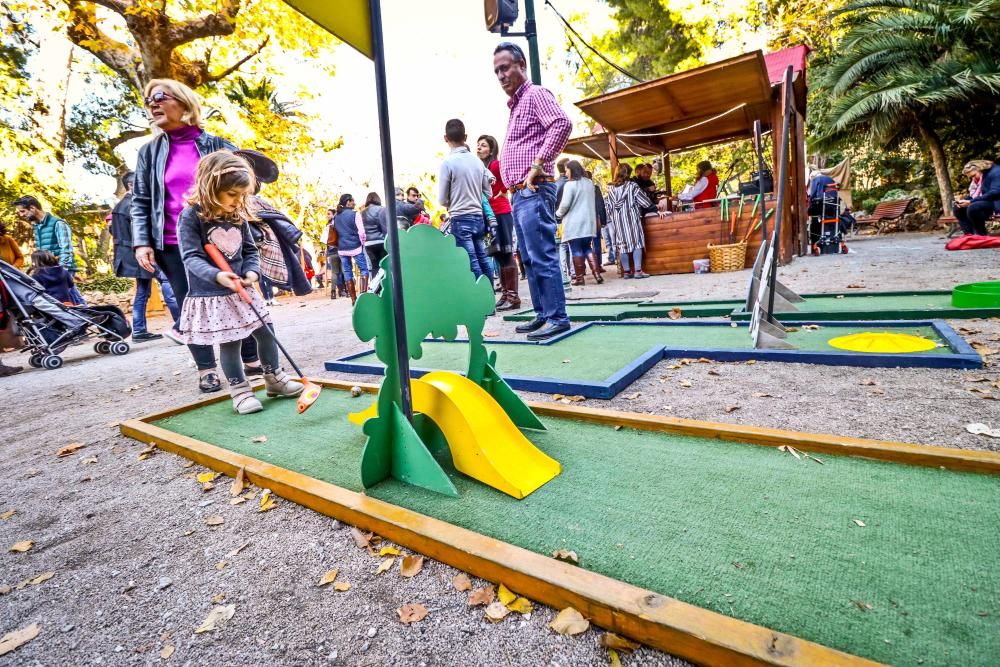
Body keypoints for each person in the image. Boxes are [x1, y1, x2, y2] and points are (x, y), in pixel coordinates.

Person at [131, 77, 259, 393]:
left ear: (184, 102)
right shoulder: (149, 152)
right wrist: (142, 241)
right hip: (173, 242)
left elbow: (247, 186)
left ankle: (253, 361)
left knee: (236, 295)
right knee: (193, 304)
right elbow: (141, 199)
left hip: (223, 235)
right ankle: (207, 369)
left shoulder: (218, 144)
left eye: (159, 96)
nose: (152, 103)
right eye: (148, 100)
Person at [176, 151, 303, 414]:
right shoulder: (191, 217)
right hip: (213, 293)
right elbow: (191, 256)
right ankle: (240, 390)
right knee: (231, 343)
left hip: (242, 289)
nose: (238, 201)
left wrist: (252, 273)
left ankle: (274, 379)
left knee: (266, 331)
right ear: (212, 187)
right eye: (233, 194)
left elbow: (250, 251)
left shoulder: (238, 215)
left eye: (242, 195)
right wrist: (217, 275)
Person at [494, 42, 572, 341]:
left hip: (535, 189)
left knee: (542, 255)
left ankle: (557, 317)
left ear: (521, 64)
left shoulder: (535, 94)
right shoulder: (516, 105)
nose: (501, 75)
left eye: (505, 67)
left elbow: (562, 123)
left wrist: (538, 164)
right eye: (497, 71)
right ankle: (543, 314)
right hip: (520, 194)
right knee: (528, 258)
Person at [109, 170, 181, 342]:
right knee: (168, 283)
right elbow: (142, 231)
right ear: (132, 185)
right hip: (142, 254)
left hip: (130, 255)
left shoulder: (118, 207)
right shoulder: (133, 205)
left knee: (143, 292)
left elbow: (114, 231)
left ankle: (140, 330)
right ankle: (182, 325)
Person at [439, 119, 493, 280]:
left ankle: (480, 300)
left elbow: (442, 199)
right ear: (466, 136)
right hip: (478, 217)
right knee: (483, 259)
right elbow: (488, 193)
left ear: (445, 138)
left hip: (460, 218)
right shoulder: (478, 162)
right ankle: (490, 297)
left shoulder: (447, 163)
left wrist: (453, 200)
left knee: (471, 262)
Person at [14, 195, 85, 304]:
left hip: (61, 269)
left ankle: (90, 316)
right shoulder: (37, 227)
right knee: (70, 299)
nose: (21, 215)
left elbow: (66, 249)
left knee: (69, 298)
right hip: (48, 271)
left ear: (33, 208)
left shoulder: (58, 223)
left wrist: (62, 270)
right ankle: (89, 315)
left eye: (23, 211)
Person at [477, 134, 520, 310]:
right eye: (478, 145)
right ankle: (505, 293)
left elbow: (506, 181)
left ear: (492, 149)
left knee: (506, 253)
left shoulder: (495, 164)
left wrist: (503, 191)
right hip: (490, 215)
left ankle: (513, 297)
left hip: (501, 212)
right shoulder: (483, 167)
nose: (479, 148)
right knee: (498, 254)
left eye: (484, 145)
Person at [556, 161, 603, 286]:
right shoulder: (589, 183)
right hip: (589, 222)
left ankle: (579, 278)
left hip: (574, 223)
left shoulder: (570, 185)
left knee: (576, 249)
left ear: (572, 170)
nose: (566, 173)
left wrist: (558, 214)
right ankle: (597, 274)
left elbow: (565, 205)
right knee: (587, 247)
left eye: (567, 170)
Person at [605, 163, 652, 279]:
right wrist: (655, 209)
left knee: (622, 246)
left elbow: (608, 208)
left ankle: (626, 272)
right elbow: (645, 202)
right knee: (637, 244)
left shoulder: (610, 189)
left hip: (618, 222)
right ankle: (638, 271)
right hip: (632, 219)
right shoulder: (633, 186)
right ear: (628, 174)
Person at [332, 194, 369, 303]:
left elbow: (336, 232)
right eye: (353, 201)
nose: (354, 203)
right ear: (348, 202)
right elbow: (361, 232)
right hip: (356, 246)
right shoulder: (355, 214)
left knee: (347, 272)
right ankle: (363, 297)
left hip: (342, 248)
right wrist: (362, 243)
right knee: (363, 270)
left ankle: (353, 299)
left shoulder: (336, 216)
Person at [955, 160, 1000, 236]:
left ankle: (981, 235)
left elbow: (995, 192)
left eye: (973, 176)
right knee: (958, 208)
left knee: (973, 207)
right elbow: (978, 193)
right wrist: (965, 201)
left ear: (979, 169)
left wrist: (971, 202)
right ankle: (969, 235)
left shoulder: (996, 172)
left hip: (996, 201)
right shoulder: (983, 175)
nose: (973, 179)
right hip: (987, 199)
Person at [361, 192, 388, 272]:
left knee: (374, 267)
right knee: (384, 266)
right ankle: (383, 284)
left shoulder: (362, 213)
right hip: (381, 241)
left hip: (368, 243)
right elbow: (384, 227)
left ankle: (374, 284)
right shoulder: (382, 209)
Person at [586, 170, 607, 273]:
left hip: (584, 220)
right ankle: (598, 266)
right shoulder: (595, 189)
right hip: (594, 219)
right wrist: (603, 220)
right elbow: (600, 205)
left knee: (585, 244)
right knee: (597, 243)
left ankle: (583, 269)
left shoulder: (581, 189)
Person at [323, 208, 346, 299]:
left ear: (333, 215)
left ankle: (333, 292)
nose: (327, 216)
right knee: (343, 271)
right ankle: (344, 290)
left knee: (335, 272)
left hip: (331, 251)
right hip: (340, 249)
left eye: (329, 214)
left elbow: (324, 241)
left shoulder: (328, 226)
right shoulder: (339, 225)